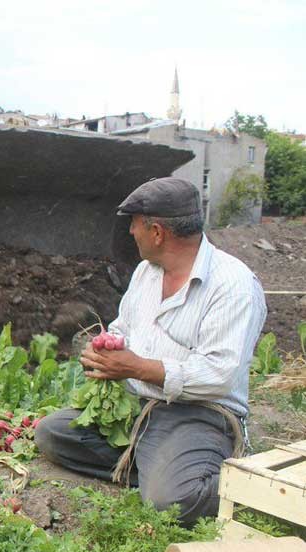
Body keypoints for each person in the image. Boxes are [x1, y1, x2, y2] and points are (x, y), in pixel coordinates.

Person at [34, 177, 266, 527]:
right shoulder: (146, 272)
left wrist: (136, 367)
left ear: (157, 232)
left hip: (199, 414)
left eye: (135, 224)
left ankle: (247, 484)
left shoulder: (233, 286)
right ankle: (156, 465)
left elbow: (219, 377)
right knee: (53, 433)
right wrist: (106, 349)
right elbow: (124, 327)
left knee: (171, 503)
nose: (130, 232)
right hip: (141, 408)